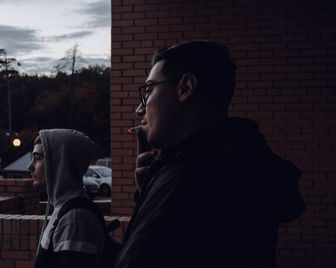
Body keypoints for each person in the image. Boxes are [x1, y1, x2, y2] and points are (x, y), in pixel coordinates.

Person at [114, 41, 306, 268]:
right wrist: (150, 191)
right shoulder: (243, 161)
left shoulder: (190, 176)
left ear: (186, 88)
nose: (139, 109)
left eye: (149, 90)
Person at [28, 129, 105, 268]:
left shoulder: (74, 220)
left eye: (37, 158)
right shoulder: (62, 209)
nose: (30, 166)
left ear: (59, 163)